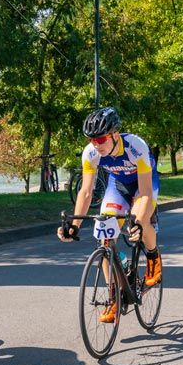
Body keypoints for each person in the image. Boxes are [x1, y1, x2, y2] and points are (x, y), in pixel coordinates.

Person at [58, 107, 162, 323]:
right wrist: (75, 225)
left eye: (101, 139)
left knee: (140, 222)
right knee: (105, 238)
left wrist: (138, 221)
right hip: (118, 186)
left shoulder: (136, 146)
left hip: (144, 185)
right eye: (91, 140)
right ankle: (114, 296)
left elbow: (143, 192)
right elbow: (86, 192)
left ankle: (153, 258)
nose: (96, 144)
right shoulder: (92, 153)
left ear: (115, 134)